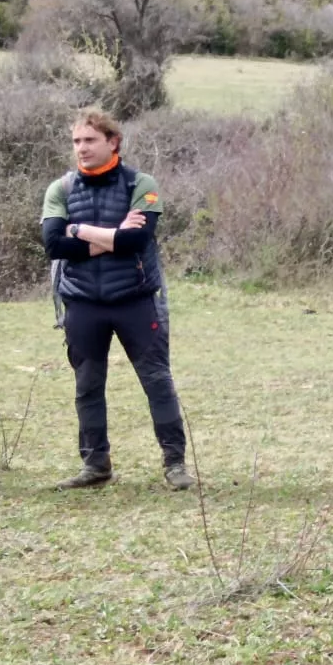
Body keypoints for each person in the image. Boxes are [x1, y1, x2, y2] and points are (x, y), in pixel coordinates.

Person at [42, 108, 195, 491]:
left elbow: (135, 242)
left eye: (90, 140)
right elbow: (54, 245)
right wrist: (105, 236)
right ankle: (96, 465)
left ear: (113, 142)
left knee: (157, 381)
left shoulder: (140, 184)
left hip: (136, 301)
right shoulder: (60, 189)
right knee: (87, 386)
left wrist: (79, 231)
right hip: (82, 303)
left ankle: (175, 464)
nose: (82, 148)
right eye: (77, 141)